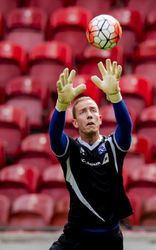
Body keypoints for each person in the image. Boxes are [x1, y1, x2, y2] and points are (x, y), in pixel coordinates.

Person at [49, 59, 133, 250]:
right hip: (76, 237)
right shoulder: (69, 150)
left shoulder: (113, 146)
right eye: (83, 112)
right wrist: (61, 105)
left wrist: (115, 96)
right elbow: (54, 136)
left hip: (110, 238)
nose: (89, 115)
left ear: (100, 119)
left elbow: (126, 127)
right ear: (75, 122)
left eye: (93, 110)